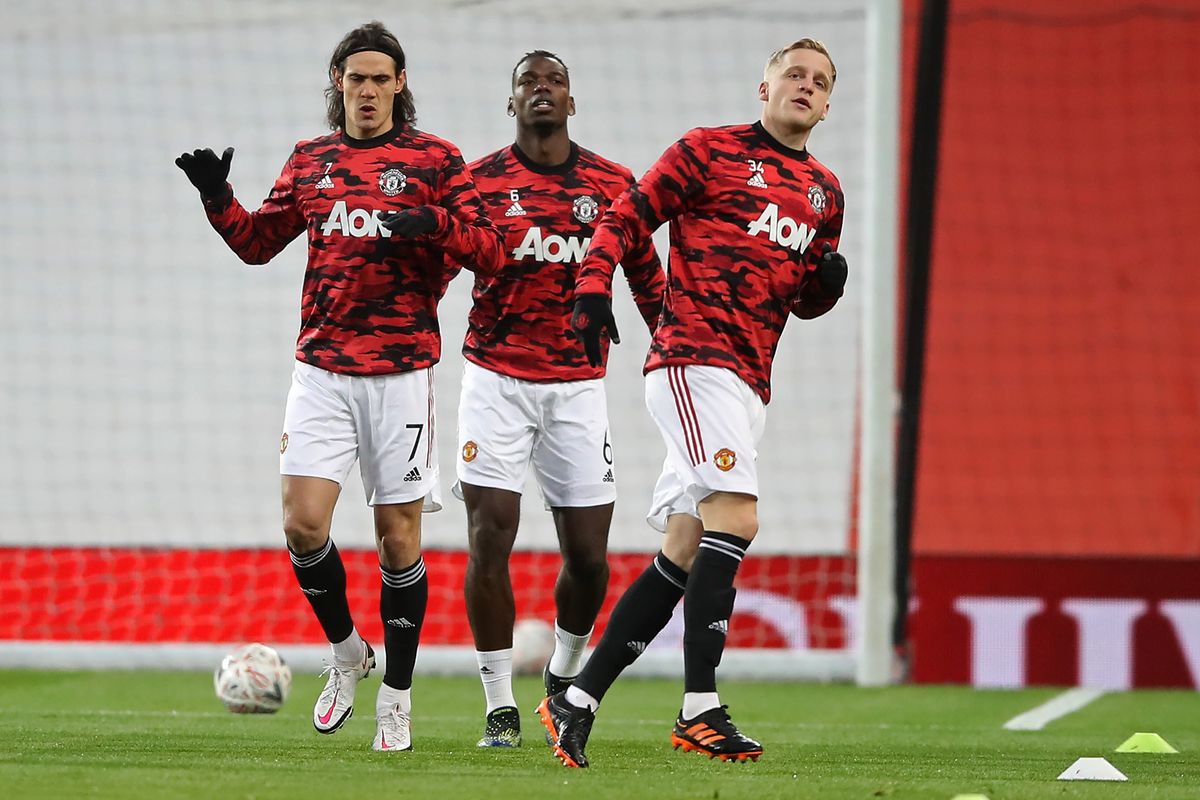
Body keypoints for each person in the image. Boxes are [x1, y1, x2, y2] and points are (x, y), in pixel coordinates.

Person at [174, 21, 503, 753]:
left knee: (398, 541)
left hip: (401, 375)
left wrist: (439, 222)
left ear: (400, 85)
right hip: (321, 369)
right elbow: (259, 244)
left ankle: (397, 698)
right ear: (339, 85)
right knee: (301, 525)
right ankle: (349, 651)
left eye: (381, 78)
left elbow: (494, 252)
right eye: (355, 79)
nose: (367, 91)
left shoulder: (435, 159)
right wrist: (217, 197)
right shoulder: (311, 160)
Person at [535, 39, 849, 768]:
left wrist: (825, 287)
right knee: (737, 516)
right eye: (794, 74)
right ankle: (700, 708)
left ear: (829, 105)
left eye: (820, 82)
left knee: (684, 547)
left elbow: (803, 302)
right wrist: (591, 284)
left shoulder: (824, 193)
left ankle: (576, 702)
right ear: (763, 86)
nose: (806, 86)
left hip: (748, 380)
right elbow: (623, 215)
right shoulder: (708, 151)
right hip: (692, 359)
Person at [456, 50, 665, 748]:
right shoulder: (479, 183)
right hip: (494, 380)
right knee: (490, 537)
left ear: (571, 102)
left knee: (588, 557)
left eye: (554, 82)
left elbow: (648, 278)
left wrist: (677, 348)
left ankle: (563, 676)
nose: (541, 91)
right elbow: (436, 266)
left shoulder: (612, 184)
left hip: (578, 387)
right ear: (511, 101)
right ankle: (498, 705)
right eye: (528, 82)